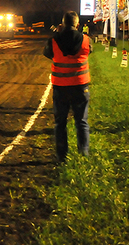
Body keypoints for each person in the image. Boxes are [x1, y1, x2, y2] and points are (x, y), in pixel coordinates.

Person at [43, 11, 92, 163]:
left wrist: (59, 33)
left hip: (60, 87)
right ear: (77, 24)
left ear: (62, 24)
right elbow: (89, 51)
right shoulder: (85, 39)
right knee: (81, 122)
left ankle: (61, 157)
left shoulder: (54, 40)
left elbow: (47, 53)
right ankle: (84, 155)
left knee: (60, 123)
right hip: (80, 85)